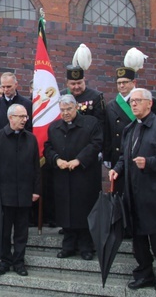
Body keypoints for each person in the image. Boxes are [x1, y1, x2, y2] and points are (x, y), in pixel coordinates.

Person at [109, 88, 156, 291]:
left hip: (155, 193)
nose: (133, 104)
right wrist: (116, 169)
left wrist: (149, 162)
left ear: (149, 104)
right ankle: (144, 273)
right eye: (132, 101)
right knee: (138, 238)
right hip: (133, 192)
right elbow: (124, 156)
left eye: (138, 101)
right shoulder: (130, 128)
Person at [44, 94, 102, 261]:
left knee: (83, 210)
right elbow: (48, 147)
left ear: (76, 107)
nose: (66, 113)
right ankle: (68, 245)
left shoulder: (90, 123)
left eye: (69, 109)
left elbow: (96, 144)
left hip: (84, 175)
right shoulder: (54, 127)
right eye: (62, 110)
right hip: (62, 175)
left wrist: (79, 160)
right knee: (65, 210)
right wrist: (56, 159)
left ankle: (86, 246)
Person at [0, 104, 40, 276]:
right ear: (11, 118)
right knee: (4, 230)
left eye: (26, 117)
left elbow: (36, 167)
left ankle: (19, 262)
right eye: (21, 116)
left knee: (21, 231)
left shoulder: (31, 139)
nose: (25, 119)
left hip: (25, 193)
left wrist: (36, 190)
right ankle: (4, 260)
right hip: (4, 194)